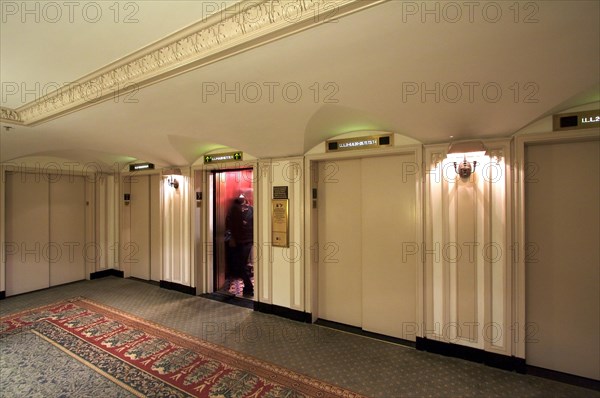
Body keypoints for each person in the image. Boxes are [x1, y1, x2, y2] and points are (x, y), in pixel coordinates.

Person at [225, 194, 254, 296]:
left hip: (247, 240)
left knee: (240, 264)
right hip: (238, 241)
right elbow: (229, 223)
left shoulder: (252, 210)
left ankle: (248, 287)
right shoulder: (234, 209)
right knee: (239, 264)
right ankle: (246, 287)